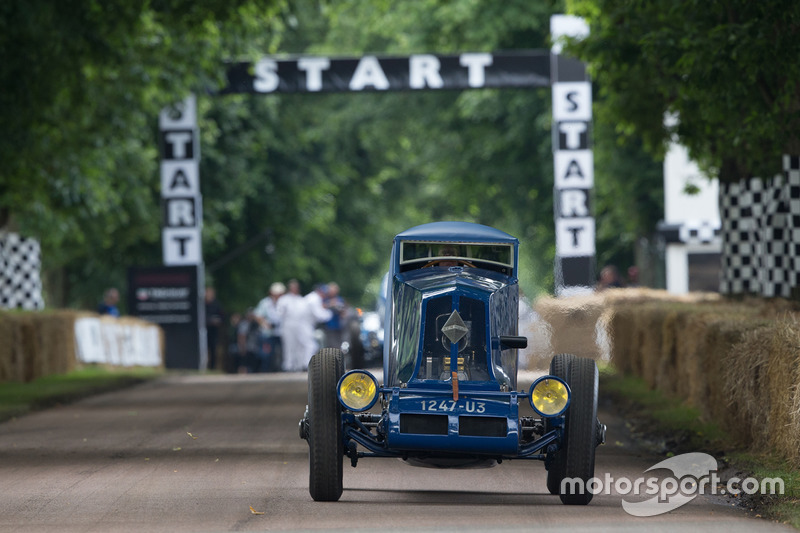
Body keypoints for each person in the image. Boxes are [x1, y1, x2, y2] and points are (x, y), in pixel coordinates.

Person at [278, 280, 333, 372]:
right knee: (306, 345)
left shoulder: (303, 298)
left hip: (301, 324)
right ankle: (301, 365)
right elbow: (320, 315)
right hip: (297, 325)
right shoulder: (313, 298)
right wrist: (330, 313)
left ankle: (298, 366)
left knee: (300, 346)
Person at [254, 282, 285, 371]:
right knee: (266, 355)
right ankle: (266, 372)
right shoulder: (265, 303)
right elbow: (258, 316)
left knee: (282, 354)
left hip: (280, 333)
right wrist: (266, 324)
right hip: (267, 334)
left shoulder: (284, 303)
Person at [322, 282, 347, 349]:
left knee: (337, 345)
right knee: (329, 344)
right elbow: (322, 307)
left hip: (338, 326)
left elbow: (343, 311)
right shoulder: (325, 299)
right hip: (328, 326)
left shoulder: (340, 299)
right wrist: (330, 304)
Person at [205, 287, 224, 371]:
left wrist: (217, 321)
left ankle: (212, 367)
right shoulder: (202, 304)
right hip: (204, 330)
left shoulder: (217, 304)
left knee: (213, 348)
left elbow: (222, 317)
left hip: (214, 331)